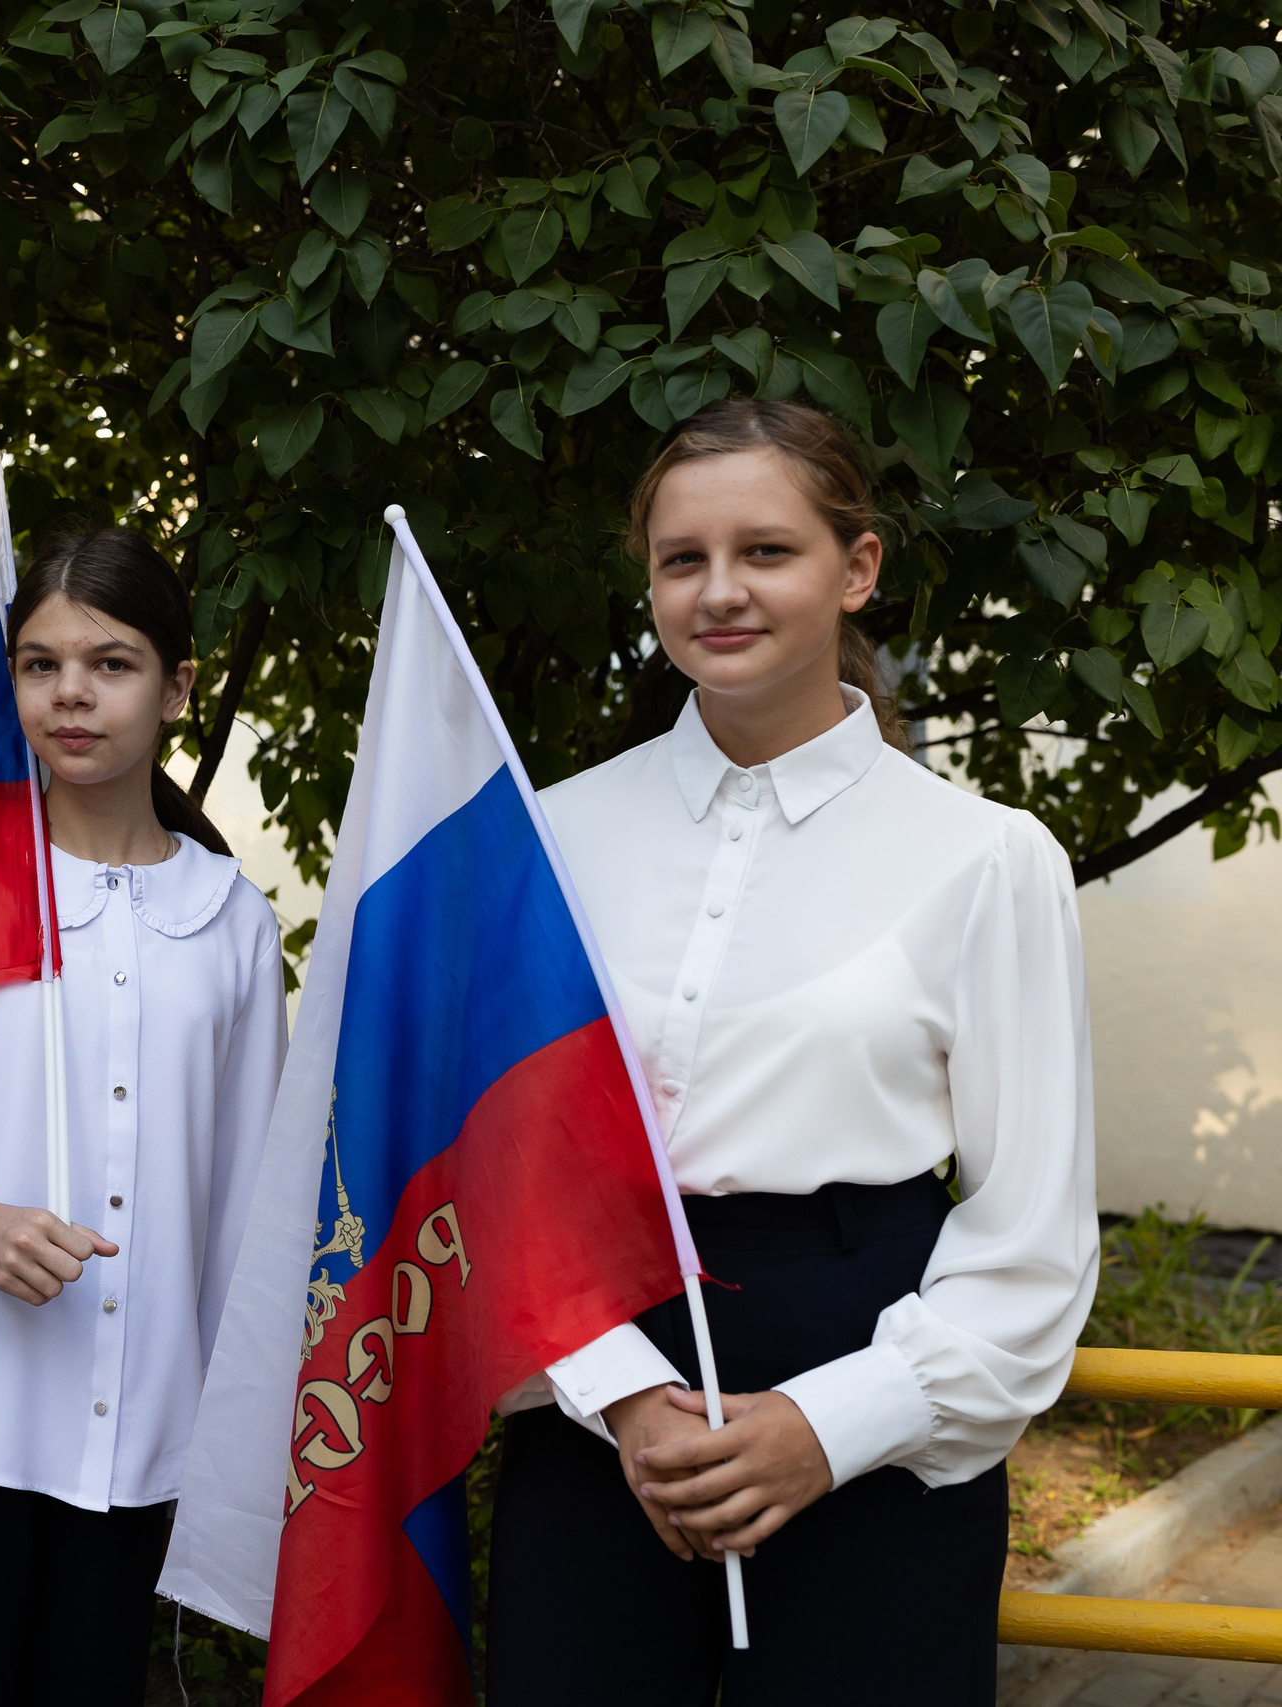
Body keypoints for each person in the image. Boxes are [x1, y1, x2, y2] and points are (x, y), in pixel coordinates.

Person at [483, 399, 1099, 1704]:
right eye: (681, 557)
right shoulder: (550, 835)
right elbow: (496, 1165)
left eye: (766, 550)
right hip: (601, 1380)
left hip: (876, 1370)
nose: (719, 592)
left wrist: (834, 1424)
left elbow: (1032, 1228)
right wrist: (624, 1397)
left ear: (856, 565)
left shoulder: (985, 859)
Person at [0, 530, 287, 1707]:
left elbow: (248, 1199)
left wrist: (230, 1437)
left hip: (139, 1434)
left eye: (111, 662)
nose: (72, 694)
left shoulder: (230, 920)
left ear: (178, 686)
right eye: (40, 665)